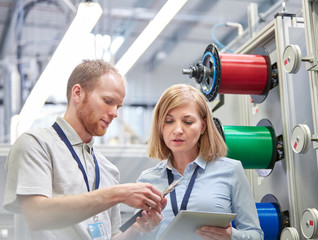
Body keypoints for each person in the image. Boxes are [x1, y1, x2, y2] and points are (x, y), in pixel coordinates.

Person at [3, 59, 166, 240]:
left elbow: (111, 237)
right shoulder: (35, 145)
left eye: (118, 106)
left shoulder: (108, 169)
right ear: (78, 93)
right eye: (108, 101)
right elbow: (36, 215)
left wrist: (136, 228)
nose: (115, 113)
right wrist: (118, 194)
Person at [136, 84, 264, 240]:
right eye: (169, 121)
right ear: (159, 126)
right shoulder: (147, 180)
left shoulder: (230, 170)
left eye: (188, 122)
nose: (177, 130)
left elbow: (256, 235)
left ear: (203, 126)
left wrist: (231, 236)